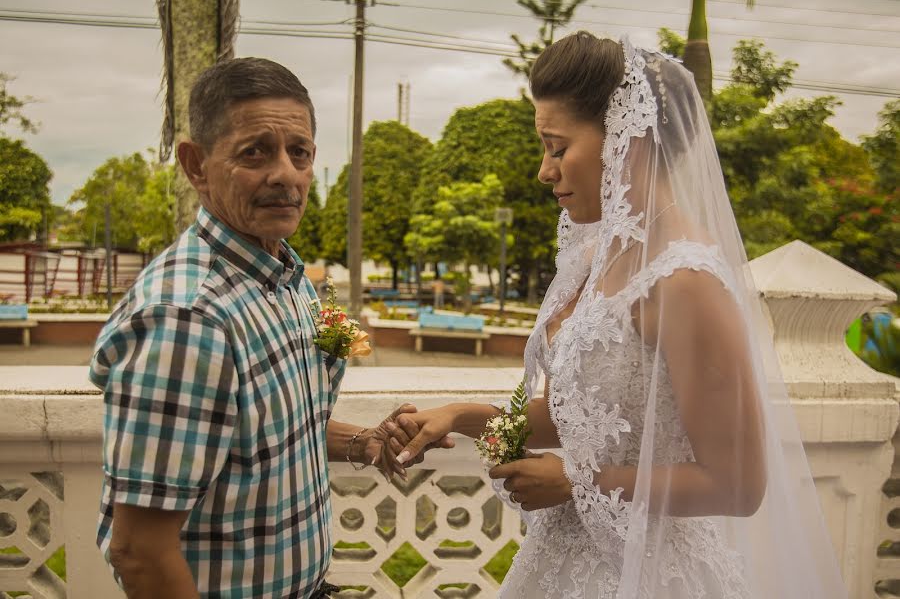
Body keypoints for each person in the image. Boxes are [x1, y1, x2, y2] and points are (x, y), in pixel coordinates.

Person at [394, 33, 847, 597]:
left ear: (628, 141)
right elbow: (597, 416)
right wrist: (462, 416)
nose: (544, 171)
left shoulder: (684, 281)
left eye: (557, 148)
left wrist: (578, 482)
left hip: (646, 574)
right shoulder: (596, 256)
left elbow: (738, 484)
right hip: (561, 562)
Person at [89, 57, 448, 599]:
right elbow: (139, 550)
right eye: (255, 151)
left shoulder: (283, 276)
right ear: (196, 165)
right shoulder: (189, 318)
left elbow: (266, 430)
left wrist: (364, 442)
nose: (285, 174)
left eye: (298, 153)